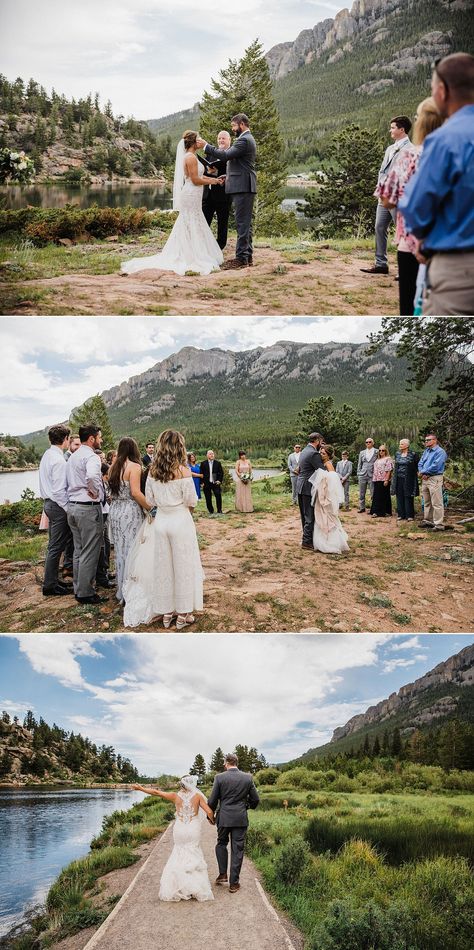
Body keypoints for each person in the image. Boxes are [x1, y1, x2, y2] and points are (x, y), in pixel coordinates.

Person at [399, 53, 474, 315]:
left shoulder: (446, 139)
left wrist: (423, 238)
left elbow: (416, 206)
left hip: (459, 271)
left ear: (442, 91)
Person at [123, 429, 204, 630]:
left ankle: (167, 612)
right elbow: (191, 501)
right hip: (180, 520)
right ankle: (183, 614)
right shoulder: (184, 471)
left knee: (164, 568)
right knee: (183, 567)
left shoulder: (152, 472)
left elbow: (149, 501)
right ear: (180, 448)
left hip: (161, 523)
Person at [121, 130, 224, 276]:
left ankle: (192, 250)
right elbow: (195, 180)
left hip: (193, 193)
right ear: (193, 142)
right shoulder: (190, 158)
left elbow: (197, 177)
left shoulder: (192, 156)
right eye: (198, 138)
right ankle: (190, 254)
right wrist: (213, 180)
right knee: (190, 220)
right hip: (191, 193)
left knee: (192, 220)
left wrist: (211, 176)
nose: (201, 140)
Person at [377, 97, 444, 314]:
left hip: (413, 242)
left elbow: (387, 197)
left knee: (410, 304)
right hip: (455, 247)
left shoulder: (411, 155)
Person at [133, 776, 215, 902]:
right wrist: (212, 820)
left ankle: (179, 887)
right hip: (193, 828)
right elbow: (209, 811)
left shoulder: (174, 796)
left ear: (181, 785)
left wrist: (140, 788)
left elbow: (156, 792)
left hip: (180, 829)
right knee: (193, 853)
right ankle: (196, 888)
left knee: (179, 853)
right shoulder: (198, 796)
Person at [198, 113, 257, 269]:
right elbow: (240, 166)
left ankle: (241, 259)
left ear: (242, 124)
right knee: (245, 224)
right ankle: (247, 257)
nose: (233, 129)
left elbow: (225, 155)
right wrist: (226, 175)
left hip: (243, 186)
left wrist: (205, 146)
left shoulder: (244, 140)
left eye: (234, 126)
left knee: (242, 224)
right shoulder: (246, 139)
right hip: (243, 184)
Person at [361, 115, 412, 275]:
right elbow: (383, 171)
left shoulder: (410, 150)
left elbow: (406, 175)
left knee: (401, 232)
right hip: (383, 197)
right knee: (379, 227)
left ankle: (403, 269)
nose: (390, 130)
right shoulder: (390, 149)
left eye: (392, 128)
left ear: (402, 130)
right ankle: (381, 264)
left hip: (398, 198)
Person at [207, 752, 260, 893]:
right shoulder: (248, 778)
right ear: (236, 763)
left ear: (226, 763)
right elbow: (255, 800)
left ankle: (223, 874)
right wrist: (246, 806)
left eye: (224, 763)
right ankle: (234, 884)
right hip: (240, 819)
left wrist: (210, 816)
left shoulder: (219, 778)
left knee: (221, 843)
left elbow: (212, 800)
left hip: (223, 818)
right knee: (237, 849)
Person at [108, 438, 151, 603]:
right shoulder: (135, 467)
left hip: (116, 511)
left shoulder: (113, 467)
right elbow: (135, 492)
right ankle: (133, 590)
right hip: (130, 511)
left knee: (120, 549)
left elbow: (111, 493)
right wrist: (151, 508)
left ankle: (122, 588)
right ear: (134, 450)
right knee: (133, 549)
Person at [66, 425, 105, 605]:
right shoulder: (91, 457)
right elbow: (91, 476)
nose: (101, 440)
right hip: (87, 508)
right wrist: (95, 492)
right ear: (91, 439)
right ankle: (86, 593)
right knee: (90, 550)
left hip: (72, 507)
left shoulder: (73, 457)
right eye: (99, 437)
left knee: (78, 550)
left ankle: (78, 588)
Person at [38, 424, 74, 597]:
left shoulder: (47, 455)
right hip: (58, 506)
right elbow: (60, 491)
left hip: (48, 504)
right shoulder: (59, 460)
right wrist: (69, 510)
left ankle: (52, 580)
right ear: (66, 439)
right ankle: (49, 586)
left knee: (54, 545)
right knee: (56, 547)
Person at [309, 446, 349, 554]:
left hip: (325, 496)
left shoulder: (328, 465)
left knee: (327, 518)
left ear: (328, 455)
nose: (321, 455)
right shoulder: (323, 465)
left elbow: (333, 482)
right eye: (320, 453)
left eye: (323, 453)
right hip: (321, 495)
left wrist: (326, 496)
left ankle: (330, 543)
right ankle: (320, 541)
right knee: (320, 516)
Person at [202, 131, 232, 250]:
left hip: (224, 195)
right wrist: (208, 171)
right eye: (219, 138)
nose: (221, 140)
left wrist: (219, 173)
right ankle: (203, 246)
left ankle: (220, 247)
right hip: (208, 195)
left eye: (223, 138)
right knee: (204, 222)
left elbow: (233, 173)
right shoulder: (211, 153)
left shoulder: (231, 154)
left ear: (229, 140)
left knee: (222, 223)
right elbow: (203, 171)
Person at [296, 433, 326, 549]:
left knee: (304, 515)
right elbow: (322, 470)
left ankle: (306, 538)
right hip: (308, 487)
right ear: (317, 440)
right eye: (321, 441)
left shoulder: (304, 451)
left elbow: (300, 469)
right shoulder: (313, 453)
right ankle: (307, 542)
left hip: (300, 486)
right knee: (309, 515)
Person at [418, 432, 448, 530]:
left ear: (435, 440)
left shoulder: (440, 452)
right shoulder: (426, 451)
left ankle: (439, 524)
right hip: (425, 479)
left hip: (435, 478)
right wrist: (422, 472)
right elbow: (421, 462)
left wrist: (423, 472)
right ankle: (428, 520)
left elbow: (436, 466)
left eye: (428, 440)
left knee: (437, 502)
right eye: (425, 440)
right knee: (426, 501)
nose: (426, 442)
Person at [391, 439, 419, 522]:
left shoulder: (413, 454)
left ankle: (409, 515)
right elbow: (396, 466)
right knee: (399, 496)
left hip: (409, 478)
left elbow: (417, 466)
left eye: (402, 444)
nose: (400, 445)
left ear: (407, 445)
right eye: (400, 444)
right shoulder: (397, 454)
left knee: (408, 496)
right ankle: (401, 514)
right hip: (398, 478)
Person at [370, 445, 394, 518]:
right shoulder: (377, 459)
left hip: (384, 479)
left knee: (384, 496)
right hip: (377, 479)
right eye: (380, 450)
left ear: (386, 451)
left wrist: (386, 480)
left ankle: (384, 512)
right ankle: (375, 511)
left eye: (383, 450)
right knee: (376, 496)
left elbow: (389, 470)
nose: (381, 452)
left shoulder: (388, 459)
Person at [357, 438, 379, 512]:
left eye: (370, 442)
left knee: (373, 492)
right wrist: (359, 473)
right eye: (366, 442)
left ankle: (373, 509)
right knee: (361, 492)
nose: (368, 443)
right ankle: (362, 507)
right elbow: (359, 464)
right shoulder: (362, 452)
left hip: (372, 474)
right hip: (362, 474)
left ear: (373, 443)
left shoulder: (377, 451)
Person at [200, 450, 224, 515]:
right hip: (206, 483)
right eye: (210, 454)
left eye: (212, 454)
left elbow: (221, 473)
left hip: (215, 482)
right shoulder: (203, 463)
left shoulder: (218, 463)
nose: (212, 455)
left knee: (218, 496)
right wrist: (201, 482)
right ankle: (211, 511)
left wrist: (219, 480)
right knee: (208, 498)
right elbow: (201, 473)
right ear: (207, 455)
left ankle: (219, 510)